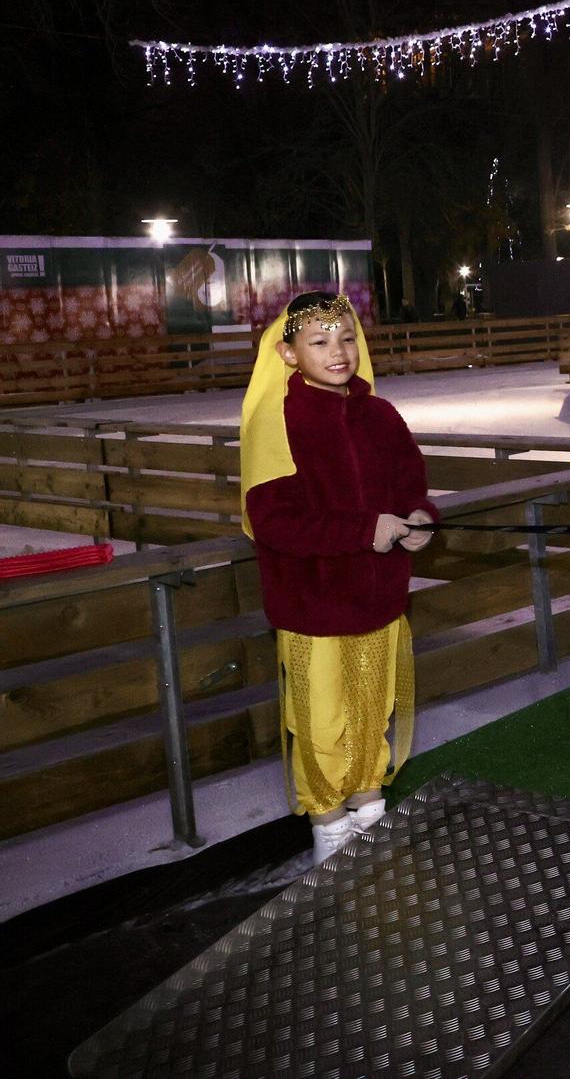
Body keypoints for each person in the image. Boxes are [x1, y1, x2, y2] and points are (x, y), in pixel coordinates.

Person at [240, 291, 432, 864]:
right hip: (314, 604)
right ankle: (328, 822)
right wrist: (362, 531)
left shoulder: (380, 415)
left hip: (377, 598)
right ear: (288, 353)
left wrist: (420, 517)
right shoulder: (277, 421)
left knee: (373, 708)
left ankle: (369, 806)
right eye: (320, 341)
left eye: (347, 338)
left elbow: (410, 482)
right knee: (321, 720)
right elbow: (273, 522)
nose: (338, 351)